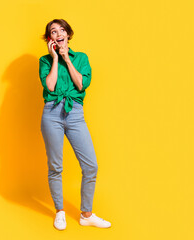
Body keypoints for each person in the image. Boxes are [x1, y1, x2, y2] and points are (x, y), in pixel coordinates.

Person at [38, 19, 111, 230]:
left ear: (68, 34)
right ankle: (59, 211)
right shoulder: (44, 60)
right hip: (51, 113)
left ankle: (86, 214)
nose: (58, 33)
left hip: (75, 114)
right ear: (50, 38)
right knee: (55, 166)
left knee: (91, 166)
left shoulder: (81, 58)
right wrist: (54, 58)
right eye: (53, 31)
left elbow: (81, 83)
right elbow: (50, 85)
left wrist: (66, 59)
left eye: (62, 30)